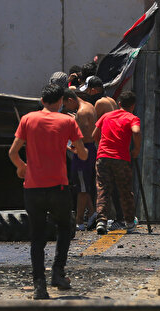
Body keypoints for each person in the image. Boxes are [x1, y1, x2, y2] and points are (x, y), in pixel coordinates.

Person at [8, 83, 87, 300]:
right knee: (64, 227)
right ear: (61, 101)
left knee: (37, 237)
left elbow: (13, 152)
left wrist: (22, 168)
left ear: (42, 101)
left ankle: (39, 286)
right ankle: (58, 273)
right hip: (58, 187)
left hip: (33, 188)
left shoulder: (28, 119)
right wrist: (80, 150)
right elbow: (82, 155)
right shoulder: (68, 121)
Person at [92, 90, 141, 234]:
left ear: (119, 104)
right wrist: (136, 148)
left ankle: (101, 221)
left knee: (103, 189)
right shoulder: (132, 118)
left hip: (102, 157)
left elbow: (95, 135)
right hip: (121, 158)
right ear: (133, 106)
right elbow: (136, 131)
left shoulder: (106, 116)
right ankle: (130, 222)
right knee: (125, 190)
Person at [61, 89, 98, 230]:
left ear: (70, 100)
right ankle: (92, 212)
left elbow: (80, 138)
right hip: (90, 149)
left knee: (81, 187)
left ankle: (79, 221)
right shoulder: (89, 106)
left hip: (83, 151)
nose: (65, 108)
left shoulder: (81, 113)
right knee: (84, 184)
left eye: (65, 105)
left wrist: (66, 146)